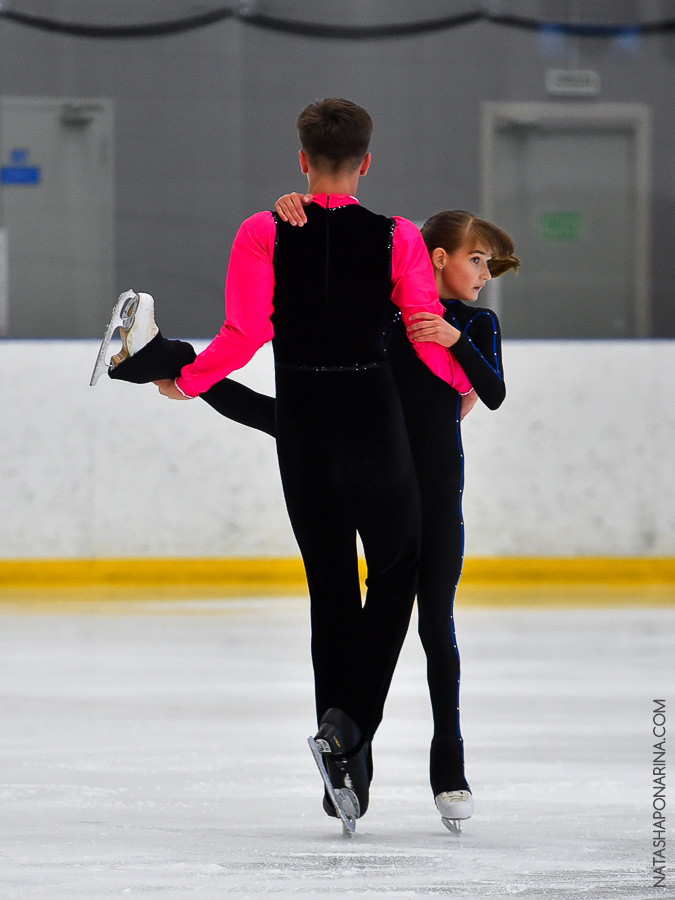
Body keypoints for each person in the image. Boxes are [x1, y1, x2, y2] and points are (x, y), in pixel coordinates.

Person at [91, 98, 474, 832]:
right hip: (372, 423)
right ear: (365, 162)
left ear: (301, 159)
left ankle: (346, 776)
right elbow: (425, 335)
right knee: (396, 569)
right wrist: (462, 387)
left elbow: (241, 334)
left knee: (329, 592)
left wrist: (192, 381)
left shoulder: (262, 230)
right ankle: (345, 734)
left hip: (303, 427)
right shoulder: (395, 236)